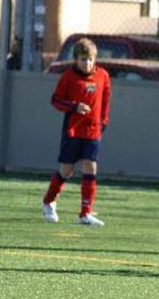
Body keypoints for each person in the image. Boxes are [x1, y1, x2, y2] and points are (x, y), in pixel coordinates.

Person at [41, 37, 111, 227]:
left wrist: (103, 122)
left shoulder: (103, 76)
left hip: (93, 131)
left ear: (95, 59)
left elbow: (105, 102)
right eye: (82, 59)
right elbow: (55, 100)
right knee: (67, 170)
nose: (87, 63)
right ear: (76, 60)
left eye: (90, 59)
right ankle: (48, 201)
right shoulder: (68, 77)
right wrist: (74, 107)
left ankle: (85, 213)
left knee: (91, 167)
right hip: (73, 131)